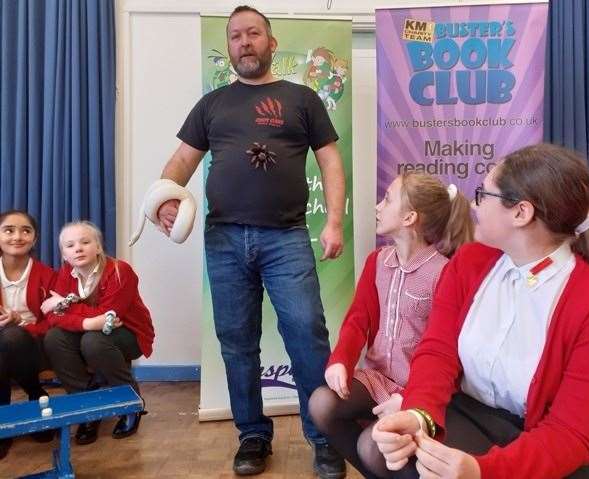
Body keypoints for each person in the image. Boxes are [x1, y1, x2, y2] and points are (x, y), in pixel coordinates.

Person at [156, 5, 346, 478]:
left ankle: (324, 438)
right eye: (236, 35)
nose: (245, 42)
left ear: (271, 42)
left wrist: (335, 221)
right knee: (238, 343)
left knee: (306, 334)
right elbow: (181, 161)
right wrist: (164, 198)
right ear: (231, 45)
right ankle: (253, 437)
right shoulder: (213, 103)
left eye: (254, 33)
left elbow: (331, 163)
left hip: (287, 237)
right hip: (223, 240)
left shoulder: (302, 98)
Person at [371, 143, 589, 479]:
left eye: (484, 194)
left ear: (521, 213)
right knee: (389, 449)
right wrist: (419, 413)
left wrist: (482, 471)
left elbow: (569, 434)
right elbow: (438, 351)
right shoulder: (468, 262)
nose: (473, 203)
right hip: (468, 412)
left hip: (548, 445)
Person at [308, 172, 474, 478]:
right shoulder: (377, 261)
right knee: (321, 404)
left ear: (410, 217)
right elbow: (358, 319)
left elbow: (450, 351)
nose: (377, 206)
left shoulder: (444, 273)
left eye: (387, 199)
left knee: (370, 446)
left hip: (417, 389)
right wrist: (340, 361)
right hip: (376, 379)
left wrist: (411, 399)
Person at [42, 221, 155, 445]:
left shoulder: (120, 271)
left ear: (99, 247)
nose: (78, 248)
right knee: (54, 338)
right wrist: (88, 322)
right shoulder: (65, 273)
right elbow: (53, 317)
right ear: (64, 254)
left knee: (93, 341)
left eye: (86, 242)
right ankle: (87, 407)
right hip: (91, 332)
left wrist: (64, 304)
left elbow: (109, 317)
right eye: (70, 245)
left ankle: (131, 404)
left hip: (129, 333)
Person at [0, 210, 56, 459]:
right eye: (9, 230)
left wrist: (21, 322)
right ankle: (32, 398)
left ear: (34, 239)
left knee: (12, 336)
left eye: (26, 230)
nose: (17, 236)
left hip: (36, 347)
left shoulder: (48, 275)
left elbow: (55, 322)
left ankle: (27, 397)